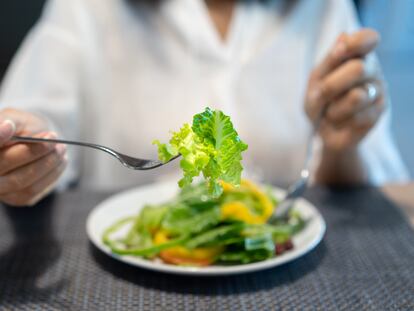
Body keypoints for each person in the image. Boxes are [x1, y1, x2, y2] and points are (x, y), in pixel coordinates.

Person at [0, 0, 408, 206]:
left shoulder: (322, 9)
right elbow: (36, 120)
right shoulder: (86, 8)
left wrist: (345, 140)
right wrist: (26, 147)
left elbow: (372, 180)